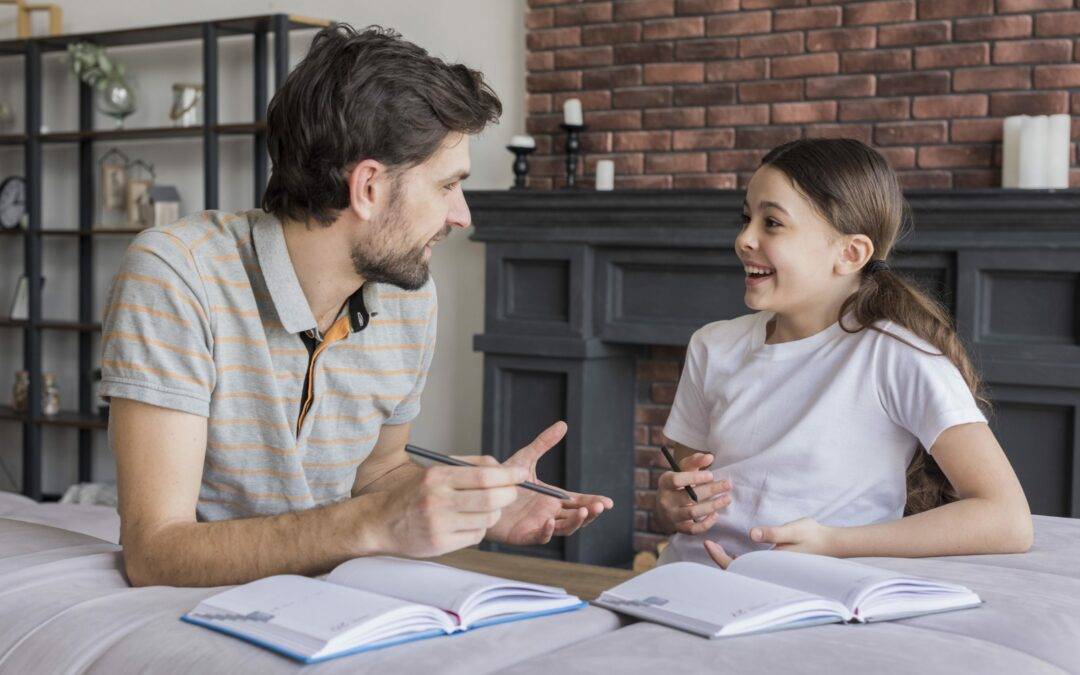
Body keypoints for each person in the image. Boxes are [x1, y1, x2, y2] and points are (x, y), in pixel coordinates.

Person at [102, 24, 611, 588]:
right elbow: (154, 553)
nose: (463, 216)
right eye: (447, 186)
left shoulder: (408, 296)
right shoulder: (178, 274)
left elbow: (378, 473)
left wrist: (474, 506)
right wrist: (370, 522)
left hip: (333, 601)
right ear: (368, 186)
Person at [653, 138, 1032, 568]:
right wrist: (674, 503)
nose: (744, 239)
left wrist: (833, 542)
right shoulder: (712, 345)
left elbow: (1008, 519)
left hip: (809, 590)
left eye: (772, 223)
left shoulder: (896, 356)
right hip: (687, 580)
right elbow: (681, 482)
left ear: (850, 253)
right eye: (746, 218)